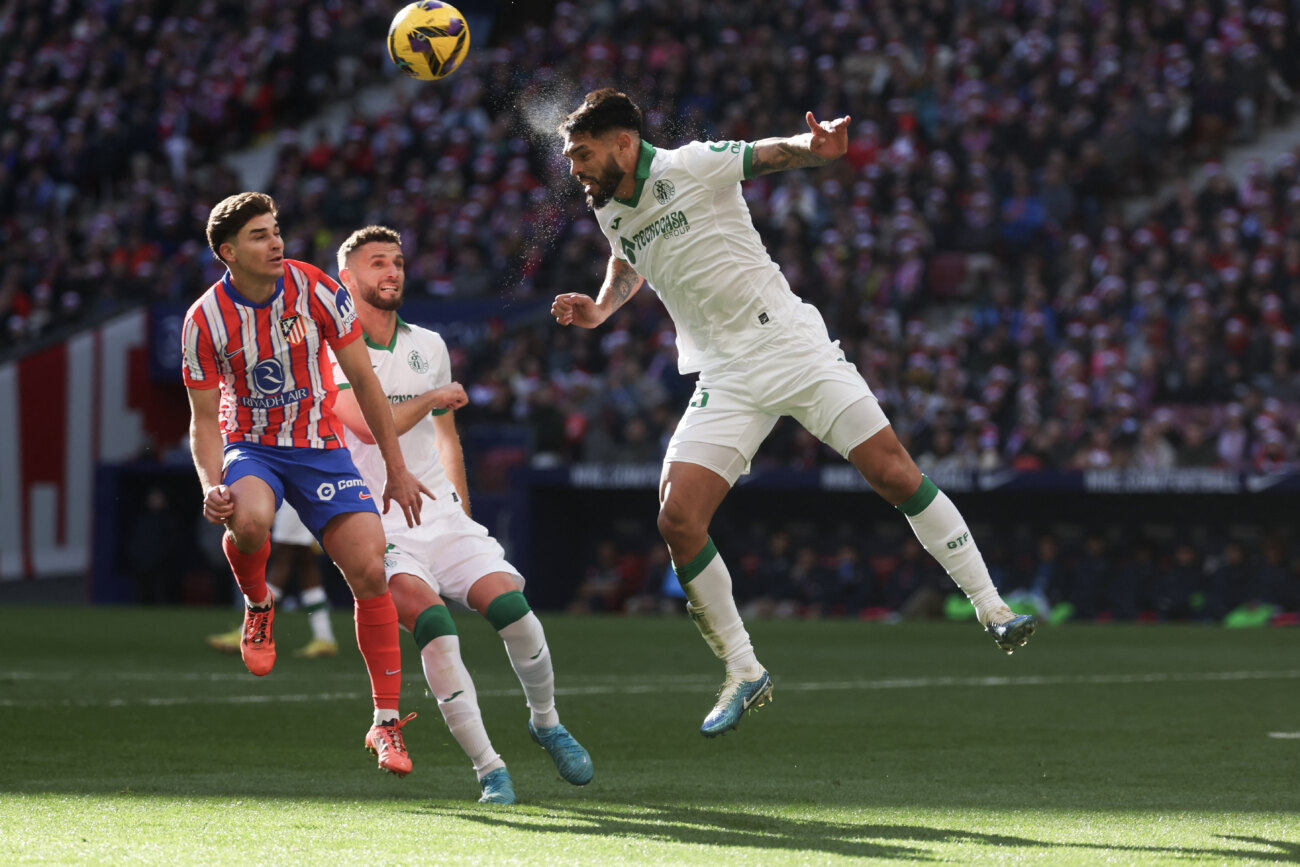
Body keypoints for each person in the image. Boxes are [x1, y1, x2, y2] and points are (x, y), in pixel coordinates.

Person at [551, 89, 1036, 738]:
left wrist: (817, 147)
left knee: (893, 473)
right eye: (569, 157)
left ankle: (992, 607)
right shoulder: (609, 208)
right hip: (724, 373)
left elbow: (767, 154)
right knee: (678, 517)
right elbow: (625, 255)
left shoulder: (690, 164)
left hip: (789, 343)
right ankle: (744, 669)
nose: (574, 168)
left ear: (623, 144)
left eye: (582, 154)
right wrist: (601, 308)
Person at [328, 224, 593, 804]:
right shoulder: (331, 352)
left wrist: (463, 517)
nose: (391, 272)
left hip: (442, 518)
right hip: (374, 524)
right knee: (436, 631)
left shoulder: (429, 344)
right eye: (377, 264)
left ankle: (546, 722)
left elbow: (448, 442)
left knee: (516, 612)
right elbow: (370, 424)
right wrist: (430, 398)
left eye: (397, 262)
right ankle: (490, 769)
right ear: (347, 279)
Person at [182, 192, 431, 776]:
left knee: (371, 571)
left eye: (276, 231)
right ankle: (258, 602)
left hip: (319, 447)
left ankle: (385, 723)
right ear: (228, 252)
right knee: (248, 521)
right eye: (259, 236)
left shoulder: (315, 287)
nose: (275, 243)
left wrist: (396, 468)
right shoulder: (204, 320)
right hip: (250, 444)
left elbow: (363, 380)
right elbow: (201, 420)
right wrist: (208, 484)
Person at [207, 502, 339, 658]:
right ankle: (324, 636)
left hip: (295, 495)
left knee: (284, 555)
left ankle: (249, 631)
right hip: (304, 493)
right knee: (305, 560)